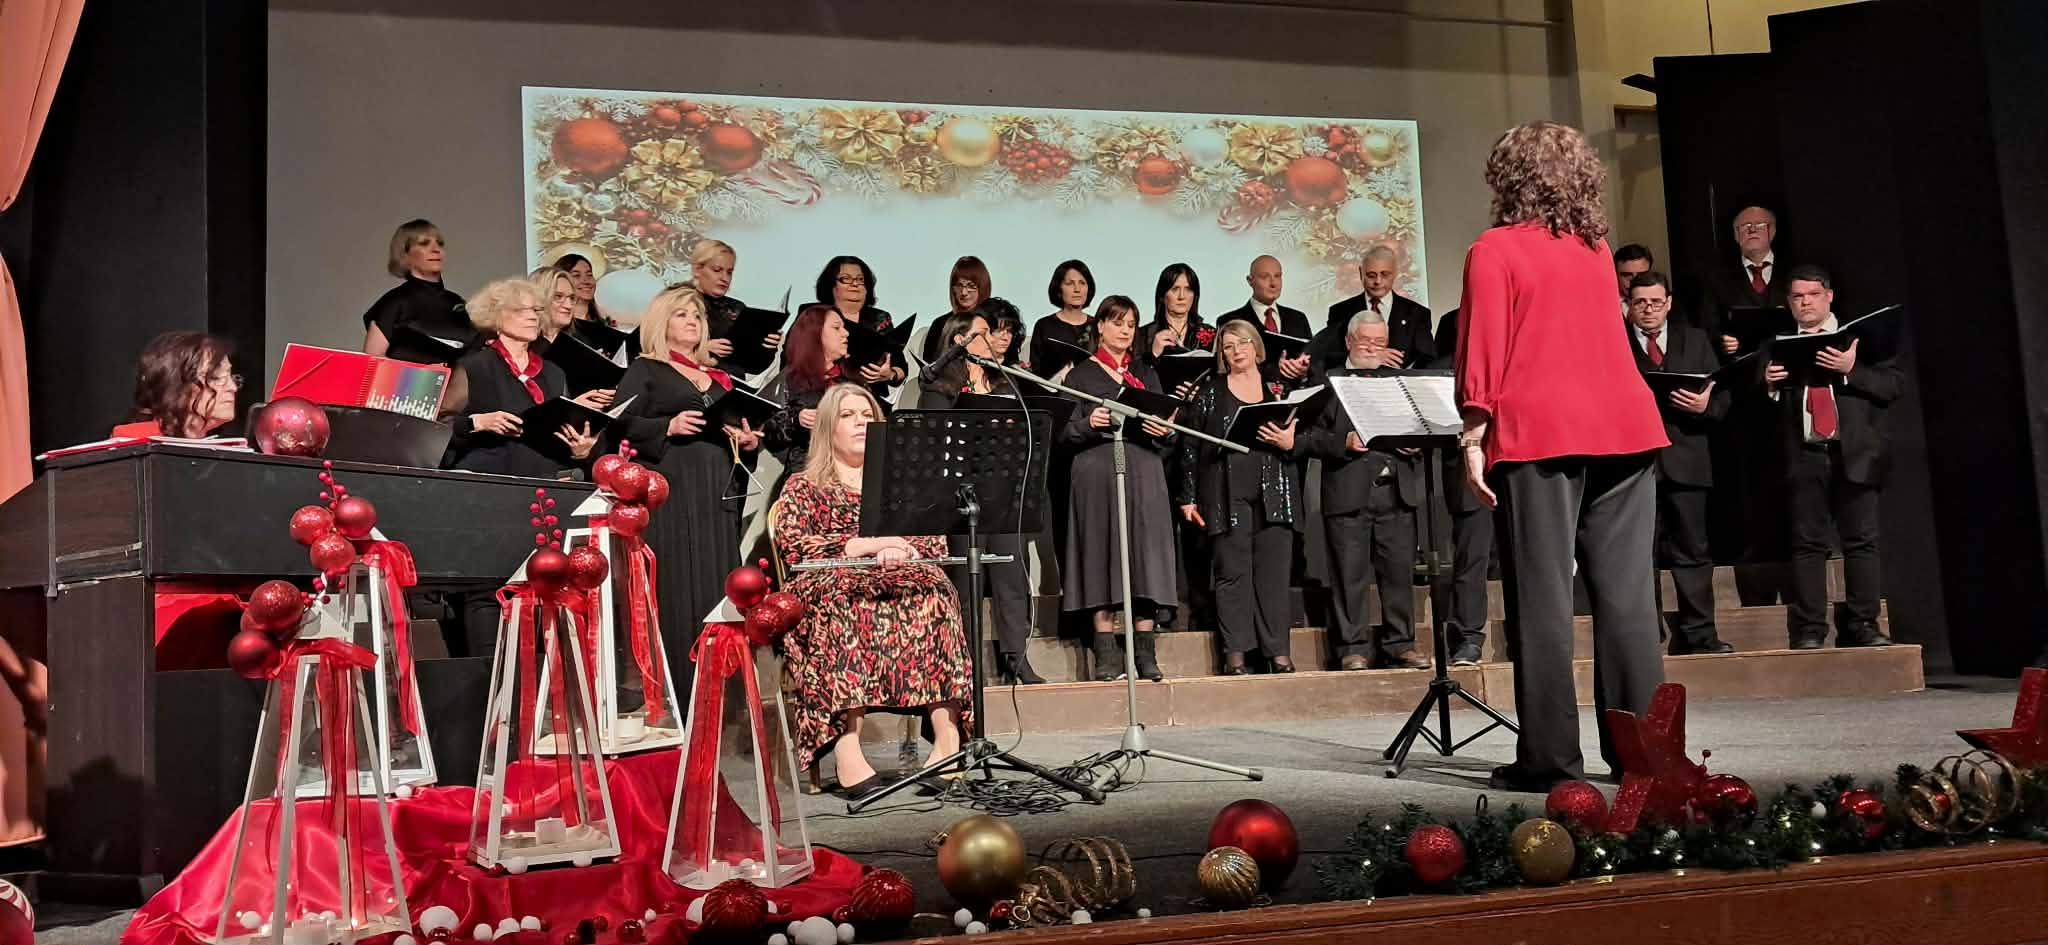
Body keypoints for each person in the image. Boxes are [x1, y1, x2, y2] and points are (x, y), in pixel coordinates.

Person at [1456, 121, 1670, 792]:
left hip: (1542, 432)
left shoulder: (1493, 249)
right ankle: (1645, 756)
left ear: (1507, 179)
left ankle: (1550, 762)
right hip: (1627, 428)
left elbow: (1484, 348)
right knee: (1629, 600)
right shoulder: (1594, 246)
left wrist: (1472, 436)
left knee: (1543, 597)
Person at [772, 383, 971, 798]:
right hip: (833, 581)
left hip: (900, 573)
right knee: (842, 603)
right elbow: (795, 545)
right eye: (847, 416)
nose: (860, 423)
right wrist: (863, 546)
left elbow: (935, 541)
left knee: (937, 592)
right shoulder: (803, 485)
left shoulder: (904, 484)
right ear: (828, 427)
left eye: (867, 416)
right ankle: (847, 750)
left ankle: (948, 740)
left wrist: (903, 547)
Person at [614, 285, 765, 698]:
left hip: (717, 487)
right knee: (678, 582)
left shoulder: (721, 378)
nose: (693, 321)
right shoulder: (647, 369)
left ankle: (723, 699)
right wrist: (667, 426)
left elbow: (738, 431)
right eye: (681, 314)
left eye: (697, 316)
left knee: (719, 579)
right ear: (661, 322)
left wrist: (748, 443)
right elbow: (620, 422)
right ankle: (679, 692)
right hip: (673, 487)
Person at [1763, 265, 1901, 649]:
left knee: (1861, 541)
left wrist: (1851, 369)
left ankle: (1863, 625)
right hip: (1805, 455)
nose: (1805, 303)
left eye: (1812, 295)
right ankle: (1810, 628)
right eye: (1797, 297)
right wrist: (1769, 386)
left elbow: (1892, 386)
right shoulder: (1777, 346)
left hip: (1854, 453)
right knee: (1808, 544)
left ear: (1829, 296)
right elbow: (1750, 406)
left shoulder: (1861, 340)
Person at [917, 311, 1045, 684]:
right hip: (961, 499)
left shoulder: (1004, 382)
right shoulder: (939, 388)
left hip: (1001, 493)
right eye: (983, 333)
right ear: (960, 340)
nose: (992, 339)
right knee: (966, 582)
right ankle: (966, 661)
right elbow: (933, 443)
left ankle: (1017, 657)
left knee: (1012, 576)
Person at [1301, 310, 1428, 671]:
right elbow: (1306, 437)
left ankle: (1400, 643)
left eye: (1380, 342)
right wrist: (1342, 442)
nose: (1372, 348)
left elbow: (1423, 425)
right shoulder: (1328, 383)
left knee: (1398, 575)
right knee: (1348, 576)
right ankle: (1351, 647)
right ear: (1348, 342)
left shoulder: (1399, 383)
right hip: (1348, 493)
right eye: (1365, 341)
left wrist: (1417, 443)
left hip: (1396, 492)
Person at [1176, 321, 1305, 674]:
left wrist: (1291, 439)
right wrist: (1188, 497)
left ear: (1256, 347)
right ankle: (1235, 654)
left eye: (1243, 343)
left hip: (1274, 490)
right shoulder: (1210, 392)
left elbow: (1301, 435)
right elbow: (1189, 446)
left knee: (1273, 575)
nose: (1236, 351)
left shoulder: (1278, 389)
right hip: (1225, 492)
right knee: (1232, 573)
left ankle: (1277, 652)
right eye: (1228, 346)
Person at [1061, 296, 1179, 682]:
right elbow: (1062, 431)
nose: (1125, 330)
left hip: (1144, 470)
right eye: (1117, 322)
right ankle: (1106, 652)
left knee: (1145, 557)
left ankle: (1145, 652)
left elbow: (1167, 428)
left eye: (1131, 324)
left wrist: (1164, 431)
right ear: (1099, 326)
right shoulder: (1080, 375)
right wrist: (1088, 423)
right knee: (1101, 554)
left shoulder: (1144, 373)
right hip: (1097, 472)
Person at [1626, 271, 1732, 654]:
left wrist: (1705, 406)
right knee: (1639, 554)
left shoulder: (1695, 340)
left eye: (1655, 302)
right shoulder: (1617, 342)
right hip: (1634, 465)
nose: (1648, 309)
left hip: (1687, 461)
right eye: (1640, 302)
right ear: (1628, 306)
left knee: (1693, 551)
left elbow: (1723, 400)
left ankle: (1700, 634)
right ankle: (1645, 638)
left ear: (1669, 303)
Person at [440, 276, 604, 480]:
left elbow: (557, 438)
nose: (532, 317)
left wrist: (580, 449)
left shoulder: (553, 373)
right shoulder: (474, 367)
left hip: (545, 480)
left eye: (535, 310)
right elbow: (439, 428)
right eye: (520, 310)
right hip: (489, 478)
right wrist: (478, 422)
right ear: (495, 317)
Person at [1429, 307, 1494, 667]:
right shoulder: (1444, 370)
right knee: (1471, 557)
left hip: (1516, 466)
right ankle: (1468, 638)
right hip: (1467, 472)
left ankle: (1532, 635)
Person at [763, 304, 852, 487]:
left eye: (844, 327)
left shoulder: (852, 381)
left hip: (850, 477)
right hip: (806, 477)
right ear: (815, 334)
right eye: (837, 328)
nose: (846, 333)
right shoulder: (791, 380)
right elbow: (769, 431)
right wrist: (796, 419)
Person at [362, 219, 473, 364]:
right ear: (404, 255)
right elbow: (372, 362)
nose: (436, 249)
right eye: (424, 243)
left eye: (440, 243)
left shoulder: (457, 303)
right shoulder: (394, 302)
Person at [1316, 245, 1432, 371]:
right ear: (1361, 273)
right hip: (1353, 380)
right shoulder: (1340, 311)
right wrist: (1368, 358)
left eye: (1385, 275)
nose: (1378, 281)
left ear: (1395, 274)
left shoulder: (1417, 313)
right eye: (1371, 275)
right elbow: (1329, 357)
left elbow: (1427, 358)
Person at [1696, 205, 1787, 353]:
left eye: (1760, 225)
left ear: (1772, 231)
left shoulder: (1792, 272)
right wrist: (1721, 341)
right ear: (1736, 235)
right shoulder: (1715, 278)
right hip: (1738, 360)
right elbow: (1708, 326)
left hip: (1785, 356)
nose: (1752, 230)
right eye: (1745, 226)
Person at [115, 332, 240, 438]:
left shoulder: (232, 449)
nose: (232, 388)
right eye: (216, 377)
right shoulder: (136, 444)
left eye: (231, 377)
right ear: (177, 386)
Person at [814, 255, 906, 398]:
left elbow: (900, 365)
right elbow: (791, 360)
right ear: (831, 285)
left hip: (870, 398)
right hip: (822, 397)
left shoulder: (879, 319)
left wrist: (889, 375)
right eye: (846, 279)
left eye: (860, 279)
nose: (855, 284)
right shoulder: (813, 316)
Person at [1215, 255, 1313, 383]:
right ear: (1250, 281)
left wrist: (1305, 369)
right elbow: (1225, 368)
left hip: (1296, 392)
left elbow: (1313, 360)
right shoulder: (1229, 321)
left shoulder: (1298, 318)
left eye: (1277, 276)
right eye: (1265, 277)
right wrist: (1274, 370)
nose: (1273, 283)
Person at [690, 239, 782, 372]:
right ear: (697, 269)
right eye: (717, 270)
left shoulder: (736, 307)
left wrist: (768, 347)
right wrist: (700, 349)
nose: (724, 278)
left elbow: (755, 367)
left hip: (732, 382)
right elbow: (660, 351)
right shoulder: (676, 302)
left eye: (729, 272)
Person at [921, 256, 991, 363]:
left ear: (982, 287)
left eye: (971, 286)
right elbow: (928, 364)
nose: (964, 292)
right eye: (959, 285)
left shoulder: (994, 323)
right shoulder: (940, 324)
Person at [1030, 260, 1095, 375]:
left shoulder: (1098, 326)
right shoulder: (1044, 326)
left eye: (1082, 283)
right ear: (1058, 290)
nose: (1077, 289)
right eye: (1070, 283)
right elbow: (1035, 370)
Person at [1142, 262, 1211, 363]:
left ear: (1195, 296)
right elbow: (1134, 370)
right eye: (1175, 289)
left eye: (1188, 289)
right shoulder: (1143, 335)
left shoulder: (1210, 334)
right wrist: (1153, 355)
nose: (1182, 296)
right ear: (1162, 296)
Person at [525, 265, 579, 357]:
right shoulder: (522, 345)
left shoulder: (581, 343)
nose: (568, 305)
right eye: (558, 296)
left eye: (571, 298)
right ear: (538, 298)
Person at [1613, 243, 1654, 317]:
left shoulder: (1666, 303)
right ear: (1615, 275)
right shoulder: (1603, 304)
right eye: (1627, 275)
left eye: (1642, 275)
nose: (1635, 281)